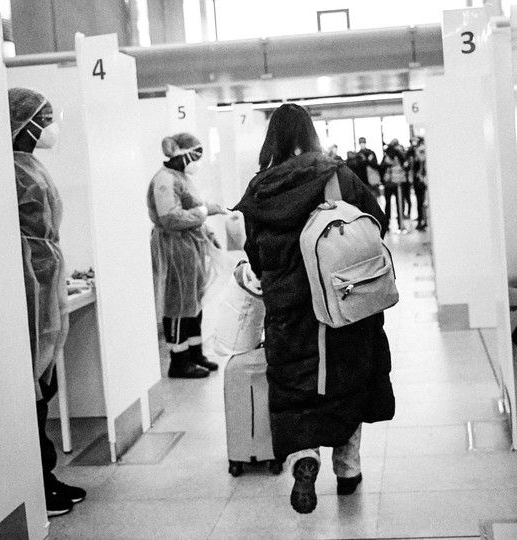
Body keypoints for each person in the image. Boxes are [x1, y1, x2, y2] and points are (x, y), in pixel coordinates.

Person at [234, 104, 395, 515]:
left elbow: (255, 254)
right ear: (311, 135)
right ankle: (347, 469)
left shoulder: (260, 190)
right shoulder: (338, 177)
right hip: (344, 303)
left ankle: (305, 458)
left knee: (296, 388)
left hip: (289, 314)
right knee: (348, 384)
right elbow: (375, 226)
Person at [8, 87, 86, 518]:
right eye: (45, 117)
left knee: (46, 380)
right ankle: (36, 482)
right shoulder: (12, 171)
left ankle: (47, 475)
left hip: (45, 273)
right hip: (29, 279)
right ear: (25, 122)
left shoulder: (28, 165)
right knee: (32, 385)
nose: (51, 126)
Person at [148, 132, 226, 379]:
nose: (199, 161)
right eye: (197, 154)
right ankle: (179, 360)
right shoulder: (164, 180)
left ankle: (195, 353)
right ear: (182, 154)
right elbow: (170, 218)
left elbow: (192, 209)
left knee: (193, 301)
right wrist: (204, 212)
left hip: (190, 245)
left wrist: (208, 230)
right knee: (179, 302)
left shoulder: (181, 177)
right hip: (174, 246)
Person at [380, 139, 408, 231]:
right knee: (399, 203)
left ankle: (387, 224)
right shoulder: (399, 156)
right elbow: (405, 166)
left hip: (389, 183)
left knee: (388, 204)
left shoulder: (386, 157)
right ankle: (400, 223)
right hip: (398, 183)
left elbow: (382, 169)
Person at [408, 136, 428, 231]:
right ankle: (421, 219)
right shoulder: (414, 152)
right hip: (417, 179)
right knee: (420, 201)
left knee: (423, 201)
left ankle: (423, 220)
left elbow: (421, 162)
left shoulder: (422, 152)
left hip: (421, 179)